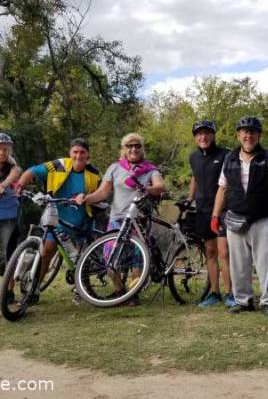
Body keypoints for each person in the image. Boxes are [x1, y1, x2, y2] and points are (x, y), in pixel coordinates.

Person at [211, 116, 268, 316]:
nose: (248, 136)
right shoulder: (229, 158)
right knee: (239, 263)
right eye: (245, 132)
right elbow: (222, 189)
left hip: (262, 219)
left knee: (266, 263)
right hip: (235, 219)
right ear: (238, 135)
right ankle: (243, 301)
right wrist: (215, 216)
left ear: (258, 135)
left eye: (253, 132)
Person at [76, 133, 165, 306]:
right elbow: (102, 192)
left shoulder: (150, 169)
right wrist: (86, 198)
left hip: (139, 220)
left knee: (138, 260)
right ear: (123, 149)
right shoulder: (115, 168)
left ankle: (133, 294)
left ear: (142, 148)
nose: (133, 149)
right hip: (117, 219)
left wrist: (147, 188)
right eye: (129, 146)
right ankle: (120, 291)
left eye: (137, 145)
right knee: (109, 259)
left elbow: (161, 186)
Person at [15, 138, 100, 303]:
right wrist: (21, 184)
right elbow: (32, 171)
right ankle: (35, 289)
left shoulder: (94, 173)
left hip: (82, 221)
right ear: (70, 153)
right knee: (46, 253)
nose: (78, 155)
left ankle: (82, 288)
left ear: (88, 154)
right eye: (75, 152)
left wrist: (86, 198)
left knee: (81, 259)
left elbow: (99, 195)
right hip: (57, 219)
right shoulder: (58, 164)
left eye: (82, 152)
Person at [186, 120, 234, 307]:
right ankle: (214, 293)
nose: (203, 137)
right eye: (199, 134)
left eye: (206, 133)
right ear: (195, 137)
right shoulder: (193, 157)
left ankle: (231, 293)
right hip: (202, 210)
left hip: (223, 210)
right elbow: (195, 178)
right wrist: (189, 199)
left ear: (213, 135)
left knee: (224, 252)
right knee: (210, 252)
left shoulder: (226, 155)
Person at [0, 131, 21, 276]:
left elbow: (14, 175)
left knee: (10, 252)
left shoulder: (13, 167)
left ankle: (9, 290)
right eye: (0, 148)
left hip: (9, 215)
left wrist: (3, 185)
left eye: (6, 149)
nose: (2, 152)